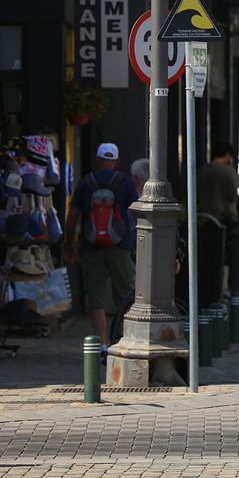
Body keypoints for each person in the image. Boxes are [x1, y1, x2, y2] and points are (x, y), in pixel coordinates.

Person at [63, 143, 138, 352]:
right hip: (120, 245)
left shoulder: (87, 182)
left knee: (95, 296)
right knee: (124, 294)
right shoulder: (125, 183)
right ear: (116, 160)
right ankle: (124, 339)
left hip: (91, 246)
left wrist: (70, 244)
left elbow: (73, 217)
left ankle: (103, 344)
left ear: (97, 159)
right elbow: (136, 214)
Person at [196, 142, 238, 227]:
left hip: (203, 217)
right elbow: (232, 195)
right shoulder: (229, 171)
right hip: (224, 218)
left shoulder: (202, 171)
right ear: (227, 155)